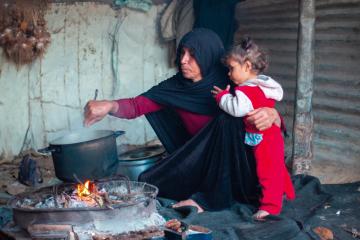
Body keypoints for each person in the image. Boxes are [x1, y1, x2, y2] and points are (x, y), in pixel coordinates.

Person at [84, 28, 280, 212]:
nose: (184, 60)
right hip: (199, 164)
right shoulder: (176, 87)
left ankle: (211, 200)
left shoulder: (234, 81)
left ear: (208, 55)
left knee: (228, 119)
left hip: (238, 169)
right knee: (150, 181)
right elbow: (138, 105)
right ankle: (205, 191)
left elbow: (272, 123)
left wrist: (273, 115)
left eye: (192, 55)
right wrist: (109, 105)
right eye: (182, 53)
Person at [212, 37, 295, 219]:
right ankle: (285, 192)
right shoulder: (264, 84)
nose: (228, 74)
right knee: (277, 167)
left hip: (262, 138)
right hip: (272, 134)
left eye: (232, 68)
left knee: (266, 172)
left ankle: (270, 207)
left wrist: (222, 97)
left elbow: (236, 109)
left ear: (247, 66)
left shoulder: (246, 90)